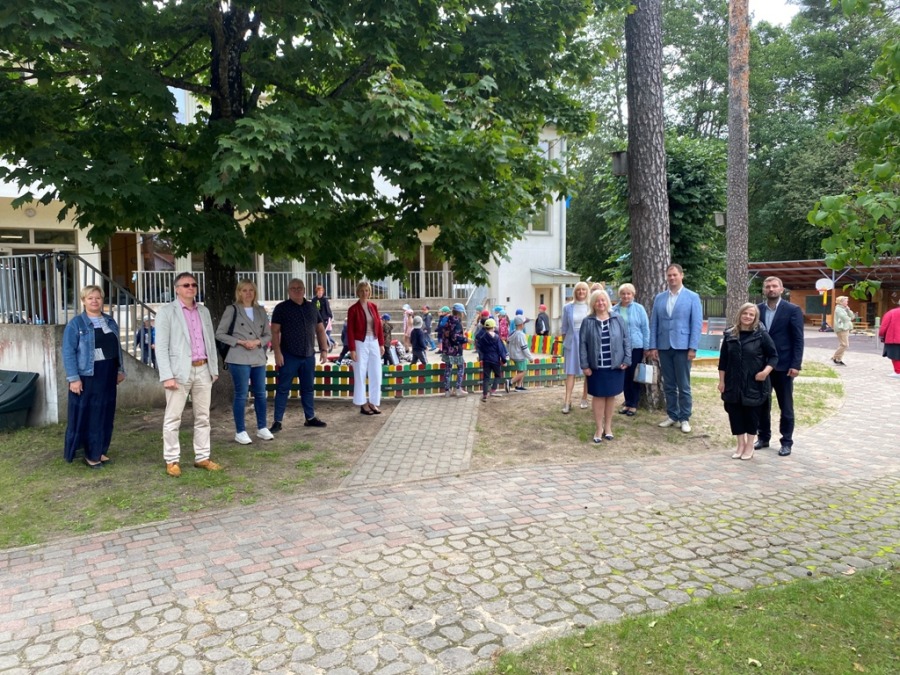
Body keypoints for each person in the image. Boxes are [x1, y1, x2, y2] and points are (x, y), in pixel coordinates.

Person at [156, 272, 221, 477]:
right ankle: (172, 459)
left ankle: (202, 457)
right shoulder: (167, 312)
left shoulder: (203, 311)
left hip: (203, 369)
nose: (190, 288)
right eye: (185, 285)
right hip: (178, 371)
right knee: (173, 418)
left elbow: (209, 340)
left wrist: (213, 369)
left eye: (193, 284)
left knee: (203, 416)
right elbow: (161, 347)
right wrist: (167, 375)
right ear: (177, 289)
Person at [62, 285, 127, 468]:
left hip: (108, 373)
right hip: (88, 375)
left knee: (106, 413)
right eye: (90, 298)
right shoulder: (76, 324)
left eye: (98, 298)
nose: (94, 301)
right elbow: (68, 352)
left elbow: (116, 348)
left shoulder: (110, 321)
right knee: (91, 415)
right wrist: (73, 378)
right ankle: (91, 454)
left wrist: (119, 369)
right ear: (83, 301)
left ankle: (100, 450)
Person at [717, 303, 778, 461]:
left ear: (755, 317)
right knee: (735, 414)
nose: (748, 317)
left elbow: (773, 356)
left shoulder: (761, 334)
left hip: (754, 383)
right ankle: (740, 444)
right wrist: (722, 381)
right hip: (733, 382)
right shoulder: (730, 334)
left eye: (751, 314)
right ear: (740, 314)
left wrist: (765, 372)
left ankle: (750, 445)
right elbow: (723, 361)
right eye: (745, 313)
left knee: (751, 415)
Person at [647, 264, 703, 433]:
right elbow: (654, 323)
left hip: (683, 347)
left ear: (681, 275)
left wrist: (693, 347)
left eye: (674, 275)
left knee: (683, 385)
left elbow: (696, 324)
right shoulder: (660, 298)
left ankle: (685, 418)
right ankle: (673, 415)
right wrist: (653, 346)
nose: (672, 278)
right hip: (664, 346)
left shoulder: (692, 297)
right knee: (669, 384)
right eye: (669, 275)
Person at [216, 280, 273, 445]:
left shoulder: (260, 310)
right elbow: (220, 334)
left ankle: (262, 427)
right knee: (241, 394)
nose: (248, 293)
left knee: (260, 393)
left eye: (251, 290)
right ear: (239, 292)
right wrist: (240, 342)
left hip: (257, 356)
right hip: (238, 356)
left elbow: (268, 334)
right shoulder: (232, 309)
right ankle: (240, 431)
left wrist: (257, 342)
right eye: (244, 290)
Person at [269, 278, 330, 432]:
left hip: (308, 355)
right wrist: (277, 353)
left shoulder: (312, 307)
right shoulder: (281, 308)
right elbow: (274, 331)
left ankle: (310, 418)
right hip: (288, 355)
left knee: (308, 388)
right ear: (288, 291)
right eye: (293, 288)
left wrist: (324, 350)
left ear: (304, 290)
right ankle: (277, 421)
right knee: (283, 389)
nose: (297, 290)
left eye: (299, 288)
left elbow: (320, 330)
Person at [756, 276, 805, 456]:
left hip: (784, 366)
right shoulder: (757, 310)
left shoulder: (792, 310)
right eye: (767, 286)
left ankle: (786, 442)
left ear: (781, 289)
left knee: (786, 406)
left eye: (774, 286)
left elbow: (798, 339)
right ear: (764, 290)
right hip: (762, 366)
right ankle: (763, 437)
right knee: (762, 403)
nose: (771, 289)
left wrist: (796, 364)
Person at [579, 289, 631, 444]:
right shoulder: (587, 321)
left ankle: (608, 427)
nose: (600, 303)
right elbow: (582, 345)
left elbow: (626, 340)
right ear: (593, 303)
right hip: (596, 367)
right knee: (598, 396)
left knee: (611, 396)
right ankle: (598, 428)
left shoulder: (617, 318)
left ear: (607, 302)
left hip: (614, 366)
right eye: (597, 300)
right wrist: (584, 365)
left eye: (603, 300)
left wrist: (627, 359)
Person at [346, 281, 385, 415]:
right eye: (362, 290)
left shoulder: (373, 306)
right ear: (358, 292)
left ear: (370, 292)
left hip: (373, 341)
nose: (364, 293)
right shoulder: (353, 309)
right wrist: (352, 349)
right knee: (360, 373)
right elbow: (350, 330)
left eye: (367, 290)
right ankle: (363, 403)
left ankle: (373, 402)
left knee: (376, 372)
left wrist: (381, 343)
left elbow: (379, 326)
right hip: (360, 343)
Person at [614, 283, 650, 416]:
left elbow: (645, 328)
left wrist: (647, 347)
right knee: (624, 375)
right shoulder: (614, 310)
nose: (626, 296)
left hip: (636, 346)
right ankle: (627, 402)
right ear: (620, 295)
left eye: (628, 293)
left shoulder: (639, 309)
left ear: (633, 295)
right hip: (620, 347)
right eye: (623, 293)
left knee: (634, 375)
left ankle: (633, 404)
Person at [559, 281, 591, 413]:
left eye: (584, 289)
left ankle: (584, 398)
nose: (581, 292)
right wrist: (565, 343)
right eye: (578, 289)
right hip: (572, 341)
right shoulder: (568, 307)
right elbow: (564, 328)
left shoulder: (591, 306)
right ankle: (567, 401)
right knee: (570, 372)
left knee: (587, 371)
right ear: (575, 292)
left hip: (587, 341)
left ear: (587, 292)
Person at [475, 318, 508, 401]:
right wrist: (504, 360)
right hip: (495, 360)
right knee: (498, 375)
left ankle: (484, 395)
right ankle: (493, 390)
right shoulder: (497, 338)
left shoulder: (482, 337)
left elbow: (480, 348)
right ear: (493, 327)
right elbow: (500, 350)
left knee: (486, 377)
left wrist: (481, 356)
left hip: (486, 360)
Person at [440, 303, 469, 396]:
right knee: (461, 368)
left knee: (448, 369)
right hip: (455, 350)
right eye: (463, 312)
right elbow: (455, 338)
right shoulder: (457, 322)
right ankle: (458, 389)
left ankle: (447, 391)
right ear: (460, 312)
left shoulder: (447, 320)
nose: (463, 315)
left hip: (447, 349)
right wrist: (466, 340)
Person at [507, 315, 534, 392]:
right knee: (524, 371)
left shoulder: (513, 333)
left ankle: (519, 386)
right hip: (520, 356)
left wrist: (509, 354)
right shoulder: (521, 335)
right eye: (524, 324)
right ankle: (510, 382)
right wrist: (530, 357)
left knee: (520, 371)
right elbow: (524, 348)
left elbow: (508, 344)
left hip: (513, 355)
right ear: (521, 324)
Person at [878, 298, 900, 378]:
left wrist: (881, 335)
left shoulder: (891, 313)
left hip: (894, 338)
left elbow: (884, 326)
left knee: (895, 355)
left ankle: (898, 372)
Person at [831, 296, 854, 365]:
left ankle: (838, 359)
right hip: (841, 328)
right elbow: (845, 318)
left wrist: (848, 310)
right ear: (841, 302)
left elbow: (852, 316)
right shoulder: (838, 309)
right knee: (845, 344)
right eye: (846, 301)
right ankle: (835, 357)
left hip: (846, 328)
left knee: (843, 344)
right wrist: (849, 318)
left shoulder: (844, 309)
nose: (847, 302)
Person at [313, 285, 335, 350]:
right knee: (319, 333)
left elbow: (328, 309)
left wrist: (330, 317)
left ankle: (329, 344)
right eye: (319, 291)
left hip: (325, 318)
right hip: (317, 319)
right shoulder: (314, 300)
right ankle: (326, 345)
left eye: (321, 291)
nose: (320, 293)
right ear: (317, 292)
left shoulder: (325, 300)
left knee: (323, 332)